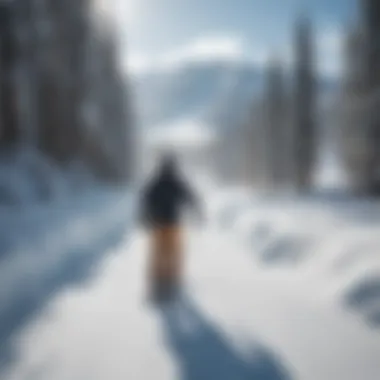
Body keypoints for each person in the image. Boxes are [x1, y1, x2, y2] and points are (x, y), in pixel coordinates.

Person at [140, 154, 202, 301]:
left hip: (158, 224)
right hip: (172, 223)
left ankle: (158, 281)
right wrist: (197, 210)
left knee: (158, 252)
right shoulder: (176, 181)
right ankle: (171, 279)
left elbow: (146, 200)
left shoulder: (155, 182)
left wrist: (144, 217)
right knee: (173, 252)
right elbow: (189, 197)